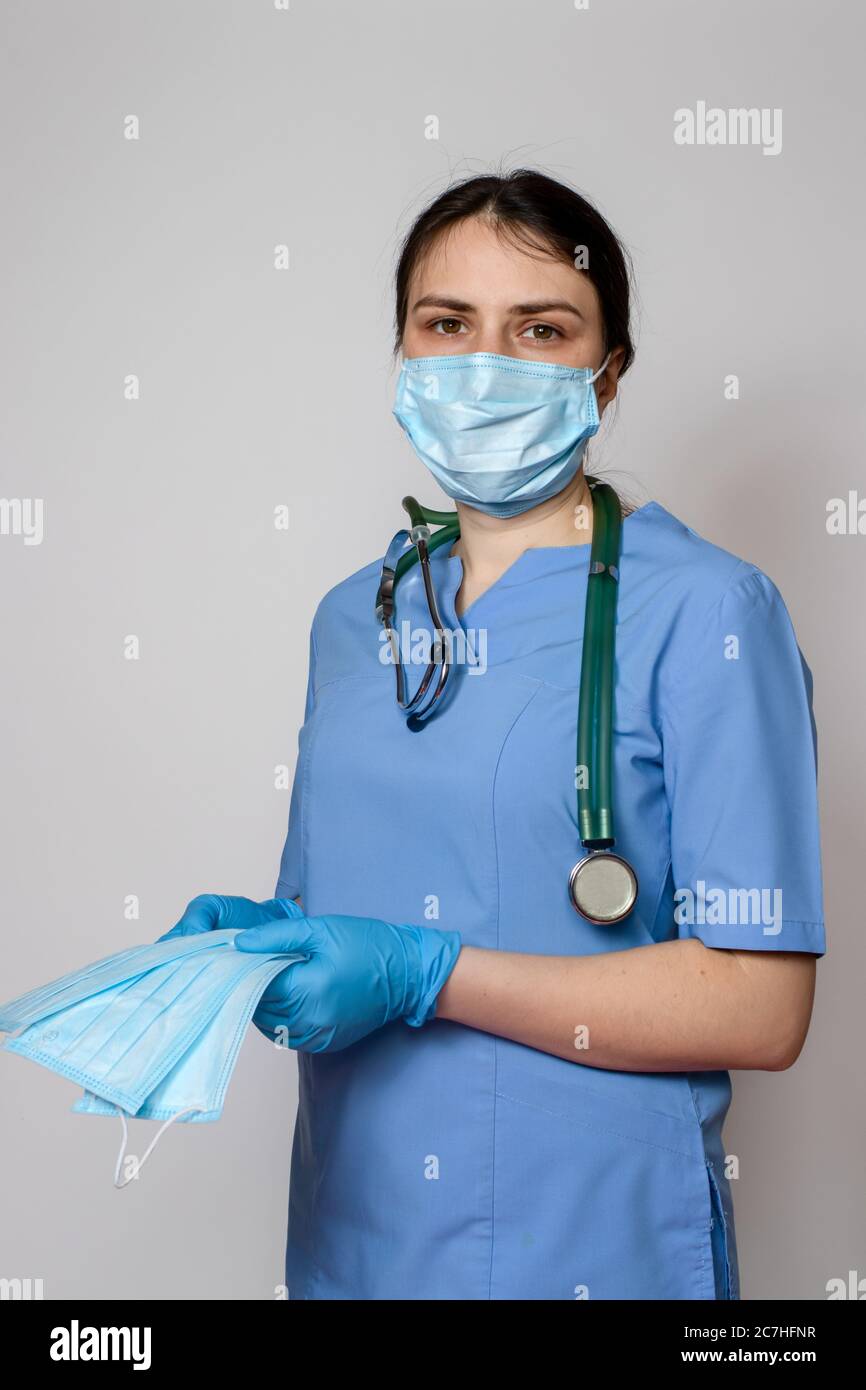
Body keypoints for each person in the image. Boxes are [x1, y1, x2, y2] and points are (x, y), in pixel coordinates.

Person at [165, 170, 825, 1300]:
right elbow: (350, 921)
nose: (486, 364)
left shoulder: (708, 612)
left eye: (540, 328)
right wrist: (252, 951)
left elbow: (758, 1008)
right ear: (402, 356)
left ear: (606, 374)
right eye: (447, 325)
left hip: (591, 1249)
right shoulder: (354, 618)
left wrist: (429, 971)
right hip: (356, 1241)